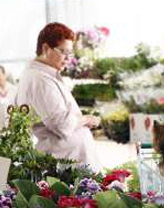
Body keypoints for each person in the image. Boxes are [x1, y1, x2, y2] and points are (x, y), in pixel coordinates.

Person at [15, 22, 101, 169]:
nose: (68, 58)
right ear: (46, 48)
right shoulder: (40, 80)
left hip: (70, 158)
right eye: (64, 52)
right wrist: (86, 119)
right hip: (65, 161)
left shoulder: (43, 75)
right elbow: (62, 125)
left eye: (70, 53)